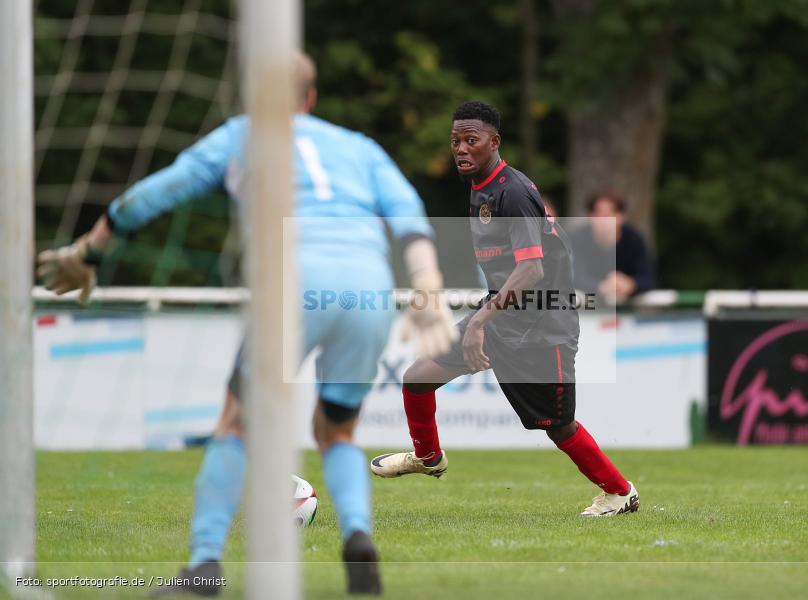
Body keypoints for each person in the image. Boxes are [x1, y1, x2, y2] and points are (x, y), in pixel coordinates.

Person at [36, 52, 456, 596]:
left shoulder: (241, 135)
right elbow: (409, 214)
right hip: (368, 285)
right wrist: (427, 284)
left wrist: (90, 252)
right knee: (338, 430)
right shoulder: (357, 146)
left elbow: (156, 194)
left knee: (235, 424)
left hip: (294, 278)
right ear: (312, 98)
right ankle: (357, 537)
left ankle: (204, 566)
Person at [370, 101, 639, 518]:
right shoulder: (482, 186)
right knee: (417, 378)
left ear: (494, 143)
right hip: (504, 314)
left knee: (558, 426)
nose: (460, 149)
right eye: (456, 141)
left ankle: (620, 493)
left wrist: (479, 321)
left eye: (471, 140)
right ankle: (428, 457)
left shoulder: (512, 191)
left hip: (543, 324)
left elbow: (531, 269)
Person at [570, 191, 656, 302]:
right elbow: (574, 277)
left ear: (622, 216)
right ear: (590, 217)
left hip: (628, 306)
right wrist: (601, 287)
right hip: (589, 306)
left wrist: (630, 284)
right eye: (598, 214)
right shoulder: (578, 239)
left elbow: (649, 278)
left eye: (610, 213)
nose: (604, 220)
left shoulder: (634, 239)